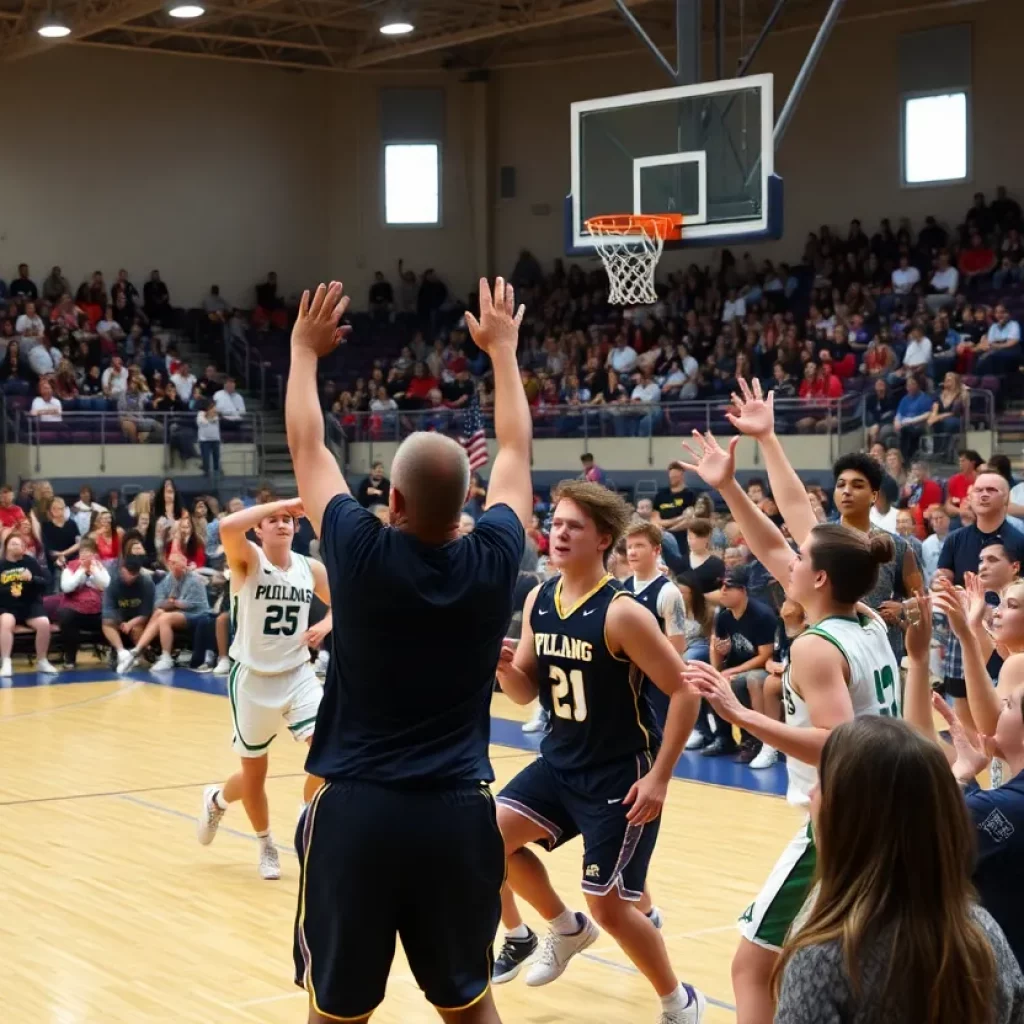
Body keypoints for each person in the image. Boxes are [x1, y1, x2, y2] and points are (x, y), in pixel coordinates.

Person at [285, 278, 531, 1024]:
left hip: (356, 812)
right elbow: (517, 448)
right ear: (467, 504)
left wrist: (302, 351)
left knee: (340, 1014)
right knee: (469, 1007)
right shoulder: (494, 562)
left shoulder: (357, 552)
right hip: (458, 813)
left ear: (390, 502)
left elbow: (306, 444)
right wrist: (504, 353)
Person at [678, 380, 902, 1024]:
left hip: (844, 815)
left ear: (820, 577)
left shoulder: (812, 647)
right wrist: (752, 457)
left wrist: (744, 715)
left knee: (752, 962)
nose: (784, 556)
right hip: (887, 803)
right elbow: (795, 533)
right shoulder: (863, 618)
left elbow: (840, 743)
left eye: (801, 560)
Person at [493, 481, 704, 1024]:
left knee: (609, 905)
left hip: (619, 773)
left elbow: (684, 689)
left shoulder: (622, 613)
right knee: (482, 841)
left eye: (573, 526)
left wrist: (661, 776)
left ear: (602, 539)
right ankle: (565, 929)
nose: (558, 533)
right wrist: (502, 666)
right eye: (556, 522)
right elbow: (527, 691)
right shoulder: (540, 597)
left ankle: (678, 1001)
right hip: (560, 761)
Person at [772, 715, 1024, 1023]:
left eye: (822, 781)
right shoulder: (982, 933)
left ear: (852, 818)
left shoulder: (826, 958)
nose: (811, 794)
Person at [196, 498, 331, 881]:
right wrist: (287, 501)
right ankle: (258, 836)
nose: (282, 524)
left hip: (298, 674)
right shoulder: (249, 560)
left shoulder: (311, 568)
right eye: (272, 520)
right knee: (254, 776)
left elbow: (341, 604)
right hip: (253, 679)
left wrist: (326, 625)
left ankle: (308, 812)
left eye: (288, 519)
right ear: (259, 529)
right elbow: (226, 527)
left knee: (330, 752)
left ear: (297, 528)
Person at [903, 588, 1024, 968]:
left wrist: (957, 641)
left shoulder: (998, 808)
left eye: (1008, 703)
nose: (998, 707)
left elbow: (926, 836)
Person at [933, 471, 1024, 735]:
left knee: (1005, 698)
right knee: (961, 696)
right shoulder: (955, 539)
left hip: (1010, 631)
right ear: (970, 497)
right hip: (965, 627)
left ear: (1006, 499)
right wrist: (942, 583)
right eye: (979, 490)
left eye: (992, 490)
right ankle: (977, 756)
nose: (984, 494)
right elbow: (943, 576)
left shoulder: (1018, 542)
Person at [623, 518, 688, 727]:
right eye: (629, 546)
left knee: (656, 745)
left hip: (654, 681)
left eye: (639, 546)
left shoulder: (669, 593)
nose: (632, 552)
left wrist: (645, 662)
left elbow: (677, 646)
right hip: (623, 677)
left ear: (656, 550)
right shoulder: (621, 587)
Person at [117, 553, 209, 673]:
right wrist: (172, 602)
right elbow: (158, 602)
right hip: (179, 613)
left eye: (174, 563)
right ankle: (137, 650)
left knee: (165, 617)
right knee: (159, 612)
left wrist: (172, 602)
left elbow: (190, 604)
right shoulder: (168, 578)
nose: (171, 565)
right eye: (170, 562)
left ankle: (166, 658)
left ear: (183, 565)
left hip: (198, 615)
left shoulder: (194, 580)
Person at [0, 531, 56, 676]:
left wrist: (31, 579)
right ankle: (6, 662)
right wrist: (8, 592)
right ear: (6, 546)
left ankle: (42, 660)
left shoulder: (30, 562)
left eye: (20, 545)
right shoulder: (1, 565)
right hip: (7, 605)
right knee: (6, 622)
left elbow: (44, 584)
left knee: (44, 622)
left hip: (29, 603)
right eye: (13, 544)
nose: (17, 547)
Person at [57, 538, 110, 669]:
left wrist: (94, 571)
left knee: (112, 615)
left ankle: (114, 653)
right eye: (83, 552)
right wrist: (81, 570)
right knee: (66, 615)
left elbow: (106, 584)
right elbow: (66, 587)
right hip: (75, 610)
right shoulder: (69, 568)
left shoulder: (99, 567)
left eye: (89, 552)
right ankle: (70, 658)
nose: (85, 555)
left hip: (97, 610)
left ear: (95, 555)